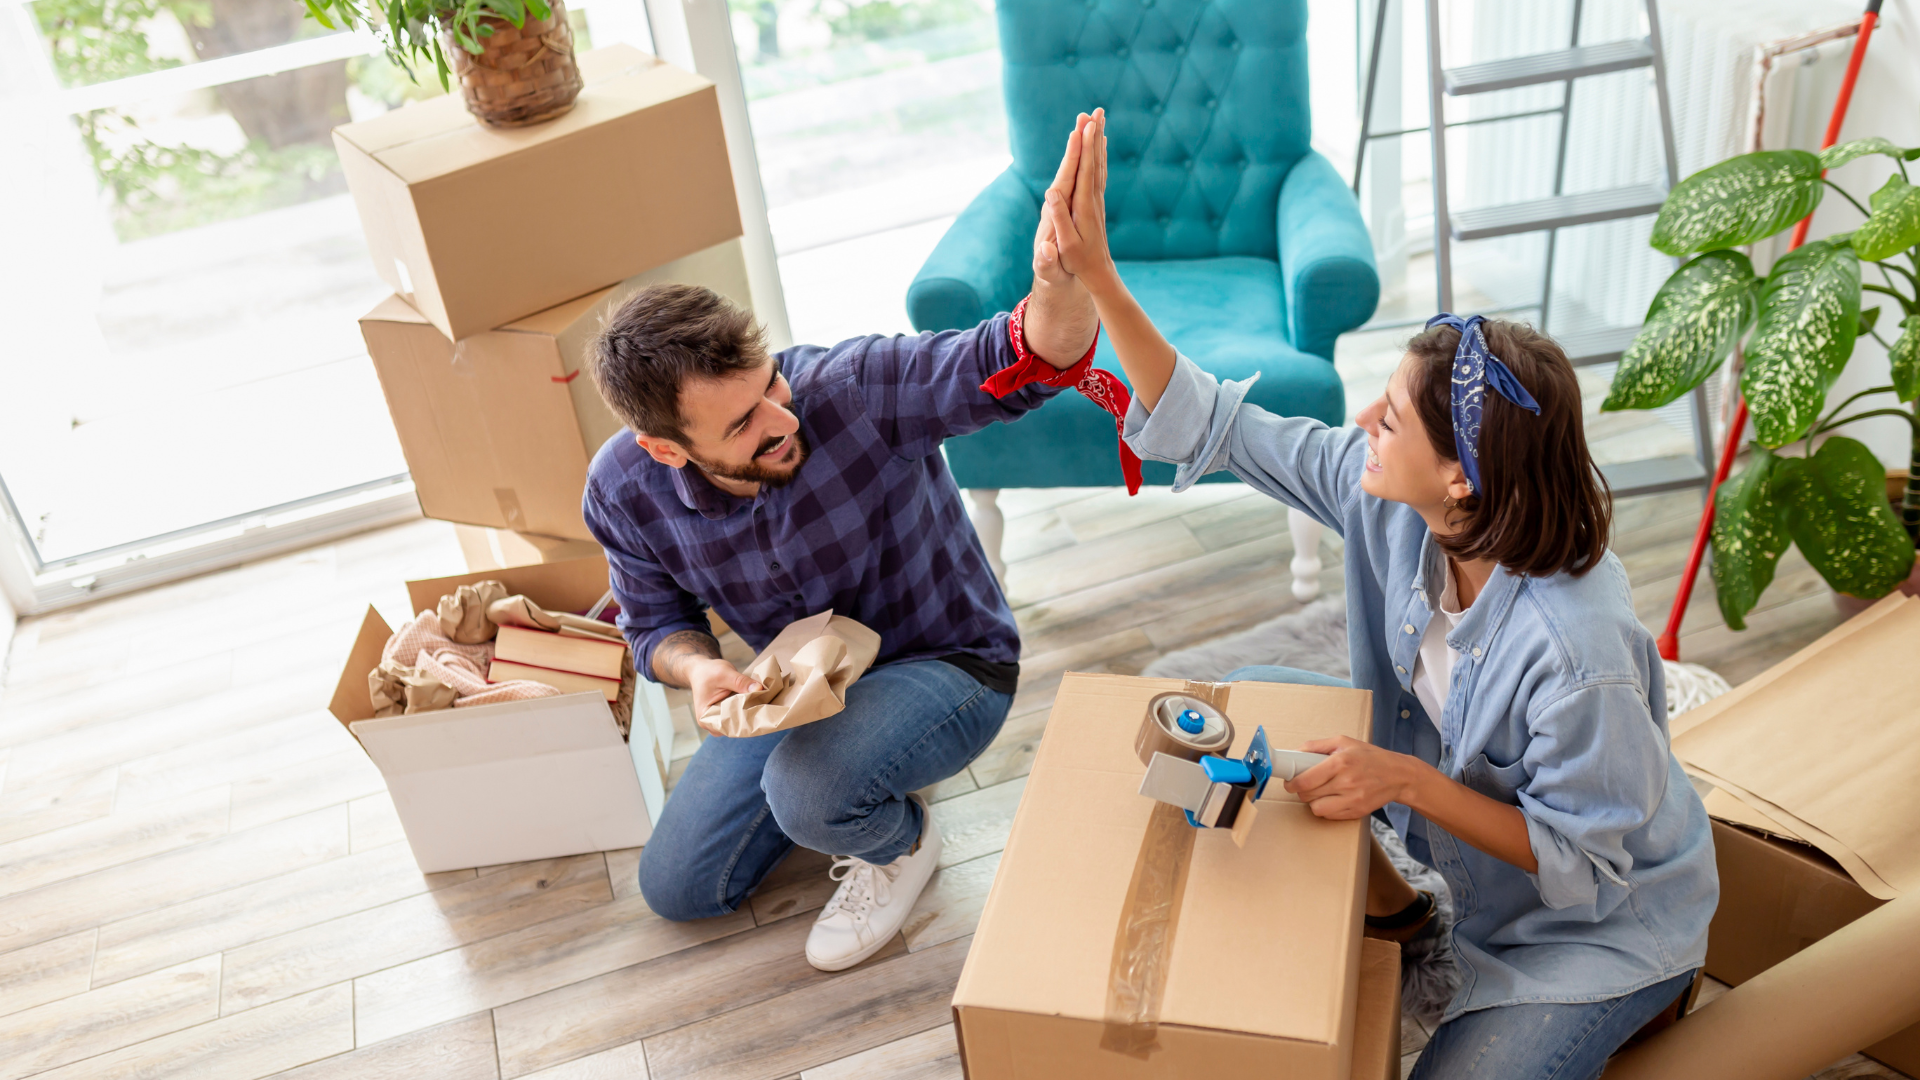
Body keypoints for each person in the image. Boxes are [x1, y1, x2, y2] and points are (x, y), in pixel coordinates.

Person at [1042, 109, 1718, 1078]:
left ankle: (1637, 1005)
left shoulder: (1580, 653)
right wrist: (1099, 277)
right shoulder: (1397, 506)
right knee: (1260, 698)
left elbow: (1584, 861)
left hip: (1597, 932)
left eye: (1392, 417)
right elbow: (1217, 426)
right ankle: (1407, 920)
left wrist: (1401, 781)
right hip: (1476, 876)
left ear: (1460, 479)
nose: (1364, 419)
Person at [580, 120, 1109, 972]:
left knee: (809, 792)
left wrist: (1060, 280)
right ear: (666, 450)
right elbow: (655, 626)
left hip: (949, 662)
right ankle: (850, 778)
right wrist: (700, 671)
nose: (781, 419)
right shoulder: (621, 489)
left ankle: (899, 839)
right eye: (743, 424)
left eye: (771, 385)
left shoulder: (853, 389)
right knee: (679, 888)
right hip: (797, 689)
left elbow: (1027, 359)